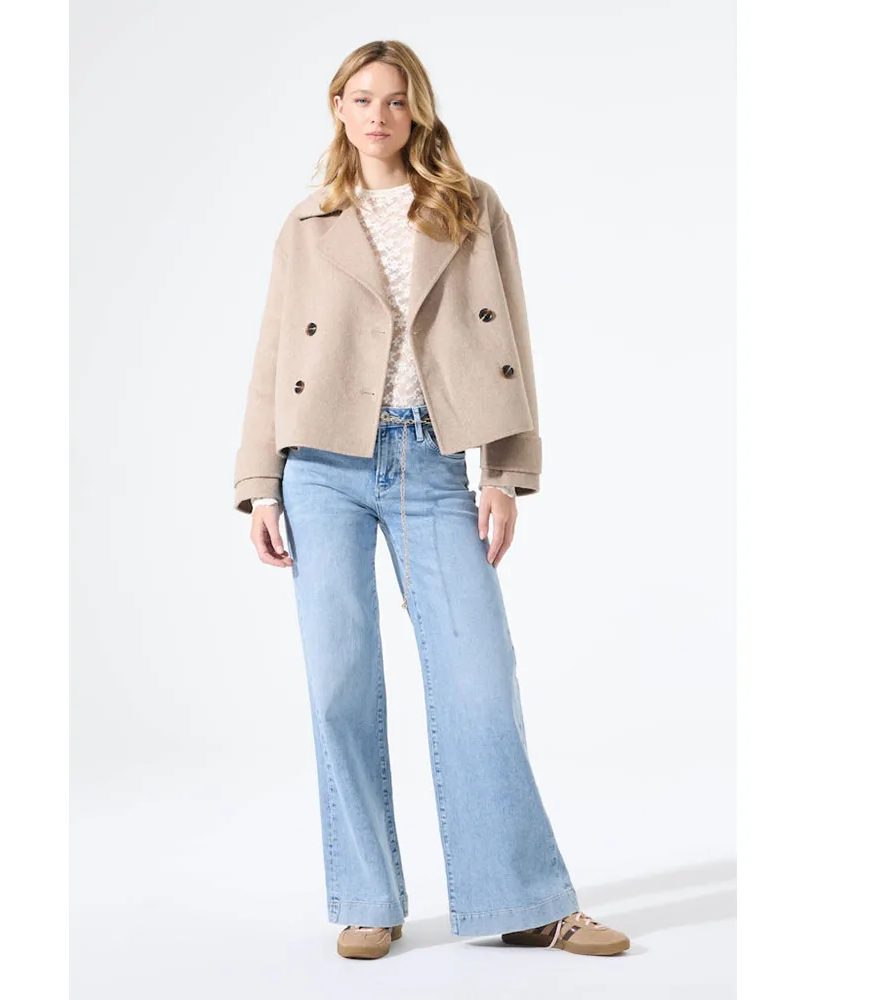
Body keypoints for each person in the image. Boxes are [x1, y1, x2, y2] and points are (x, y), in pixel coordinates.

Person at [232, 39, 630, 961]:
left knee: (479, 679)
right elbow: (272, 359)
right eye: (361, 97)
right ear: (338, 108)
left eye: (396, 99)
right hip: (320, 467)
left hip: (432, 461)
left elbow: (511, 341)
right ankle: (367, 898)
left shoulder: (469, 207)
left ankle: (525, 901)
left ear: (418, 110)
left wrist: (506, 473)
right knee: (339, 685)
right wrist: (259, 485)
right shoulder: (308, 223)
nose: (378, 115)